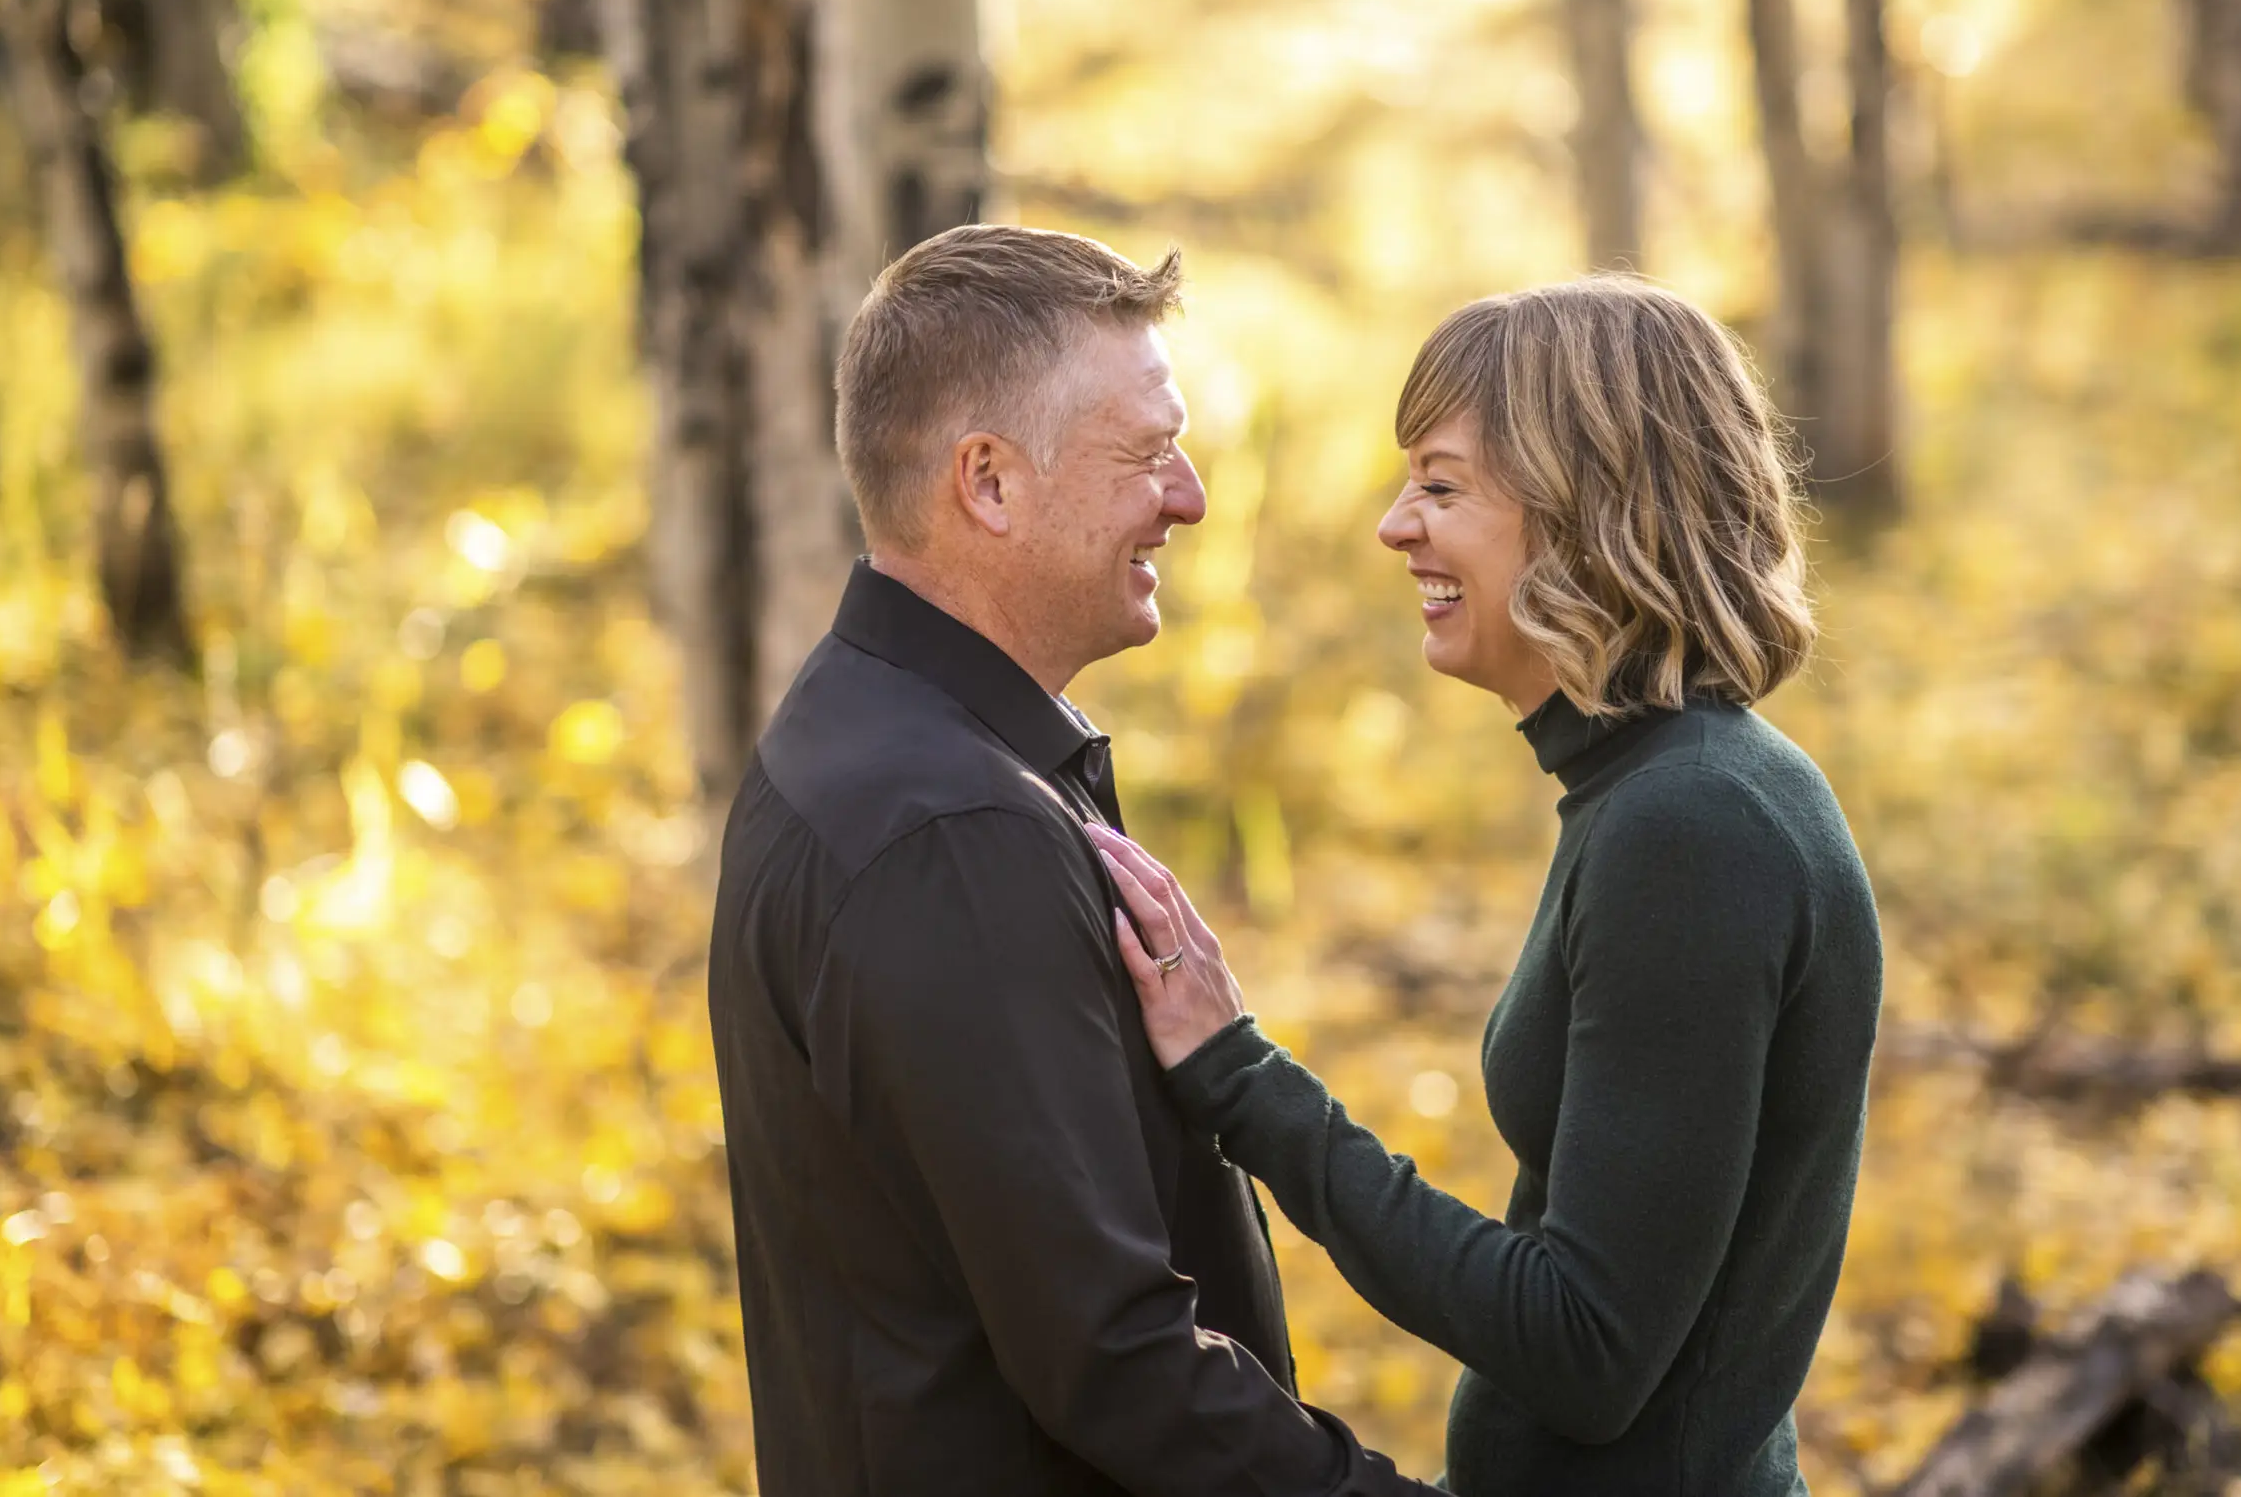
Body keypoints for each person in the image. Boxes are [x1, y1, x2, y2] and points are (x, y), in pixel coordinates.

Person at [1088, 278, 1886, 1497]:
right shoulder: (1668, 792)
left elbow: (1588, 1349)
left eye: (1442, 485)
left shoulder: (1692, 828)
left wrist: (1244, 1081)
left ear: (1587, 510)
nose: (1394, 526)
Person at [707, 224, 1432, 1496]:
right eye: (1147, 453)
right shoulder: (950, 834)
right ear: (988, 482)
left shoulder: (859, 730)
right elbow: (1112, 1359)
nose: (1191, 495)